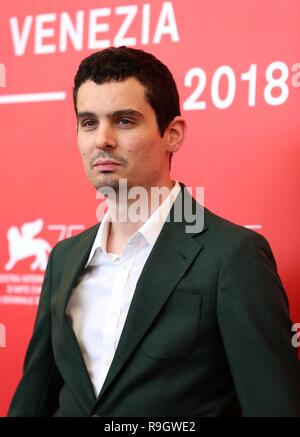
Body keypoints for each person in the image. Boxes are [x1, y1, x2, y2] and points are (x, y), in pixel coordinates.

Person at [8, 46, 300, 417]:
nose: (102, 140)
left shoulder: (232, 256)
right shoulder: (63, 258)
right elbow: (33, 399)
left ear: (173, 134)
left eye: (125, 121)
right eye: (89, 122)